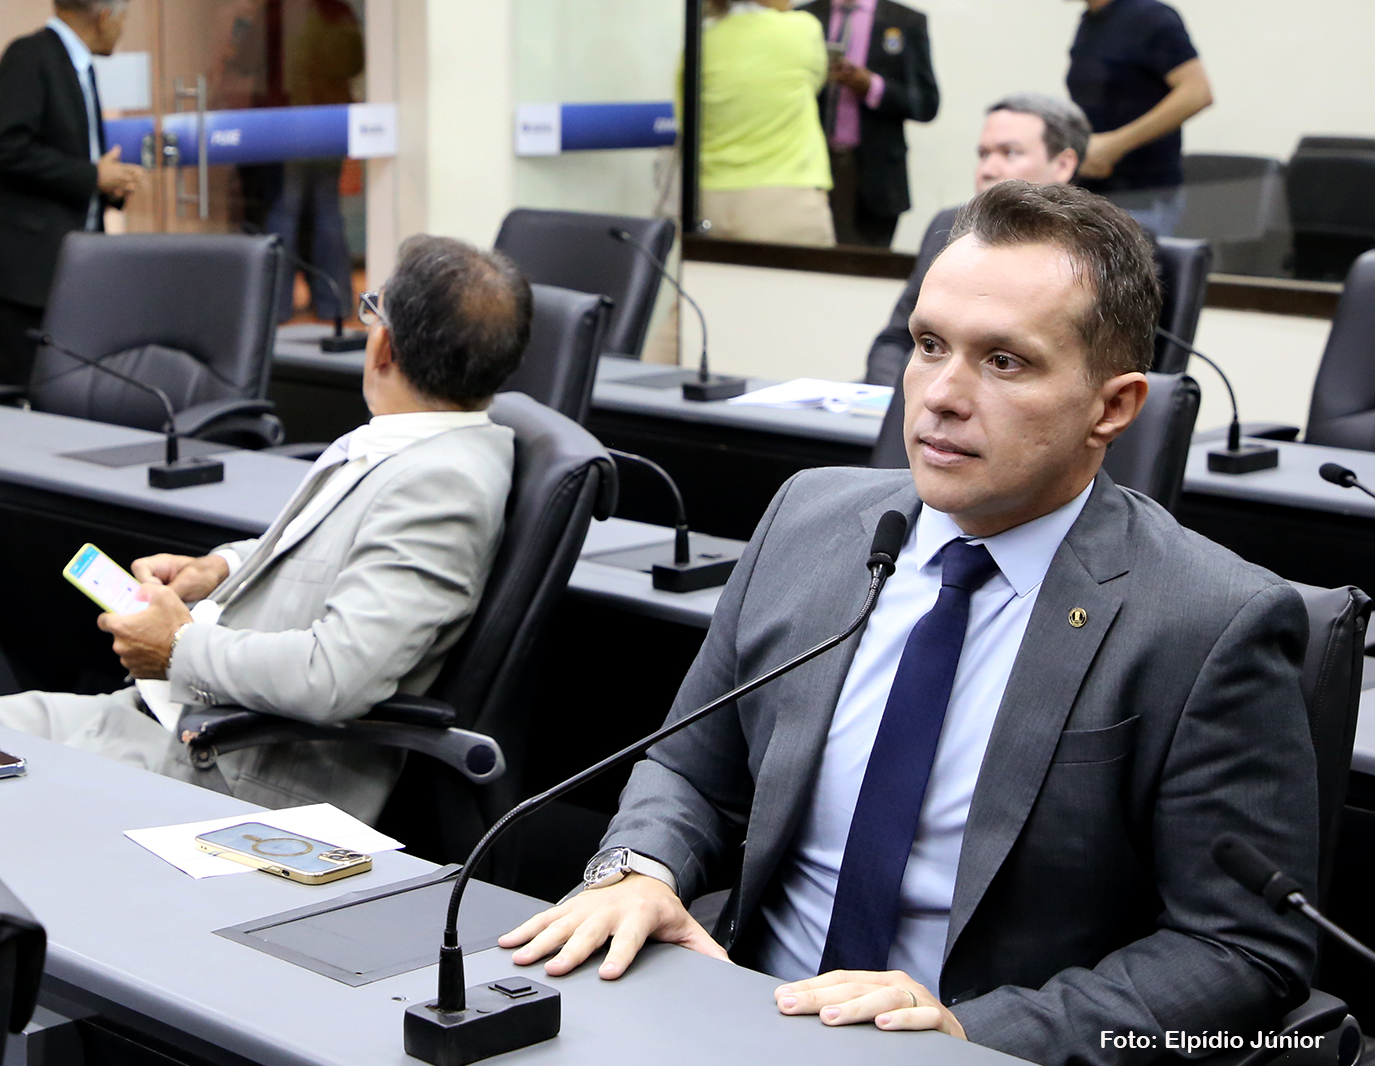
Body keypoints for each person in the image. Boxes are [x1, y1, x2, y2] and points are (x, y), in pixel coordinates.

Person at [501, 181, 1316, 1065]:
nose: (941, 396)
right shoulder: (809, 520)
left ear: (1112, 407)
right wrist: (637, 868)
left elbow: (1243, 953)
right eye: (929, 346)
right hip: (739, 1014)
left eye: (1004, 362)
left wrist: (975, 1033)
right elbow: (692, 767)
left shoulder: (1207, 620)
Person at [0, 234, 530, 823]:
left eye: (371, 310)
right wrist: (218, 569)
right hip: (168, 720)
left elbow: (334, 676)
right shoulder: (413, 442)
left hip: (221, 769)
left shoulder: (441, 484)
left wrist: (177, 648)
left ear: (383, 346)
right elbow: (325, 550)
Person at [0, 0, 150, 386]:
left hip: (69, 259)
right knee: (17, 389)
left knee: (66, 389)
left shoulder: (79, 66)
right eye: (123, 18)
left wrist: (109, 184)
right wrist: (92, 176)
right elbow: (5, 149)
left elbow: (68, 155)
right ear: (104, 16)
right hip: (25, 268)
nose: (122, 29)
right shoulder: (30, 57)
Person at [864, 94, 1090, 386]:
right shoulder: (949, 226)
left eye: (1009, 153)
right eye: (983, 154)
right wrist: (899, 401)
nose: (988, 170)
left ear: (1062, 164)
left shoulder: (1099, 246)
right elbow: (895, 340)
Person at [1055, 0, 1213, 237]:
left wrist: (1115, 144)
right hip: (1095, 197)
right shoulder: (1090, 22)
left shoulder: (1150, 18)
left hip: (1142, 201)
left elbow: (1197, 92)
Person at [797, 0, 940, 249]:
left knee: (865, 267)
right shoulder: (804, 17)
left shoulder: (906, 21)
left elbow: (927, 104)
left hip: (875, 175)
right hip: (811, 166)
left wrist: (871, 87)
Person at [686, 0, 833, 246]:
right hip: (786, 203)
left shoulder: (699, 42)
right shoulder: (802, 29)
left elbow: (686, 119)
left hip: (709, 202)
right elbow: (816, 81)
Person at [268, 0, 364, 321]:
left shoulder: (281, 11)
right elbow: (355, 64)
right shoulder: (341, 12)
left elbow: (252, 63)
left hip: (287, 124)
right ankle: (334, 304)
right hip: (329, 124)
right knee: (327, 211)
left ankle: (274, 309)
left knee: (284, 211)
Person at [210, 0, 289, 235]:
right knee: (248, 191)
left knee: (278, 192)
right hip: (240, 110)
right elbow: (220, 60)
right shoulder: (231, 15)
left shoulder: (286, 14)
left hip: (276, 112)